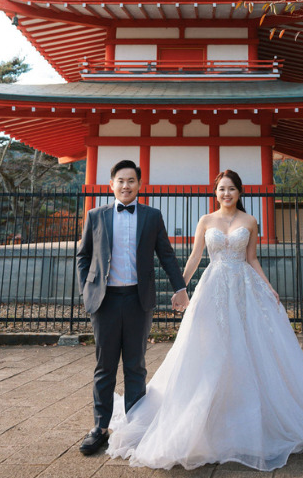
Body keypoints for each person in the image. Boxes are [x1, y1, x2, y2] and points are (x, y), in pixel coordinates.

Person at [104, 169, 303, 471]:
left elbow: (252, 258)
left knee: (248, 345)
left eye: (231, 189)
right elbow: (195, 257)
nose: (226, 194)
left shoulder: (250, 222)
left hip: (243, 287)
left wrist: (268, 286)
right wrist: (181, 288)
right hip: (212, 287)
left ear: (239, 193)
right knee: (208, 348)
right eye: (221, 189)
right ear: (215, 193)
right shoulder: (206, 221)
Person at [76, 159, 190, 456]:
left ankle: (135, 426)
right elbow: (83, 256)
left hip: (139, 300)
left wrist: (180, 288)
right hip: (106, 301)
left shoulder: (152, 216)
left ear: (140, 185)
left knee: (136, 365)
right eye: (120, 180)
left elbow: (166, 254)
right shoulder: (96, 215)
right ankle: (100, 427)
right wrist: (87, 290)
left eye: (131, 181)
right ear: (111, 184)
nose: (126, 186)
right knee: (105, 365)